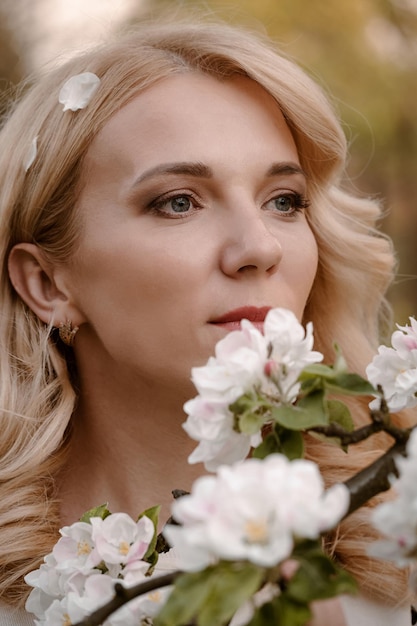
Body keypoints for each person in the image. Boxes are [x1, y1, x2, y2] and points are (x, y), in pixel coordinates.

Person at [0, 15, 414, 626]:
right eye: (178, 202)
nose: (259, 247)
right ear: (47, 283)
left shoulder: (398, 532)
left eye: (284, 201)